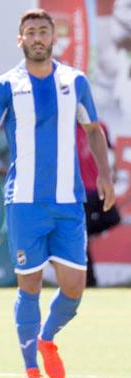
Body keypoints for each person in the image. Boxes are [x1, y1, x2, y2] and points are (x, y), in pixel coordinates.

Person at [0, 9, 115, 378]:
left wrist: (104, 173)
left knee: (74, 287)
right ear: (20, 40)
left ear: (54, 38)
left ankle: (47, 338)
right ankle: (30, 369)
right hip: (25, 203)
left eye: (43, 31)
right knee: (29, 286)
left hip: (68, 204)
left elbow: (94, 131)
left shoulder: (75, 80)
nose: (37, 37)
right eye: (30, 32)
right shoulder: (6, 85)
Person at [77, 122, 120, 286]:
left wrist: (112, 172)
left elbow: (110, 151)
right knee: (82, 238)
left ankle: (86, 231)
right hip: (81, 191)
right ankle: (90, 280)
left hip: (98, 186)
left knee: (113, 218)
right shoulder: (67, 126)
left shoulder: (100, 126)